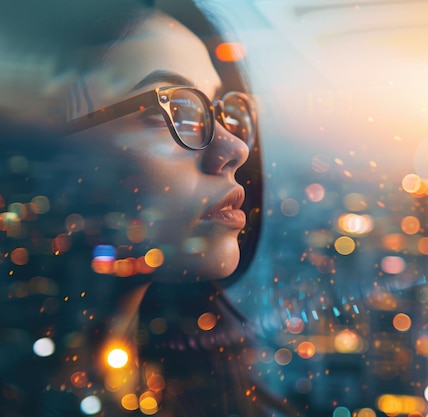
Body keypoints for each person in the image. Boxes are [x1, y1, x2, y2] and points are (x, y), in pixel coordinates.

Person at [0, 1, 298, 416]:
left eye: (221, 111)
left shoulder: (207, 385)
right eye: (173, 111)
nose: (235, 148)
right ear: (34, 152)